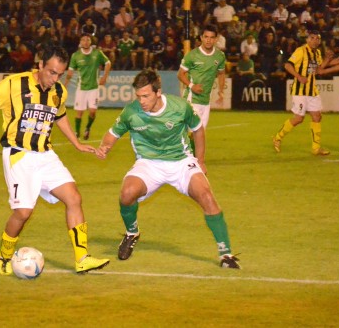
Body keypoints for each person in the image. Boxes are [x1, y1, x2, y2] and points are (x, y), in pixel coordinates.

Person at [0, 46, 110, 276]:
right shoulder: (14, 84)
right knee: (23, 213)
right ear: (40, 65)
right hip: (19, 155)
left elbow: (59, 116)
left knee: (74, 198)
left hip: (45, 155)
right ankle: (4, 254)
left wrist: (76, 143)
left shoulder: (59, 91)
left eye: (59, 74)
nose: (55, 78)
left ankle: (82, 258)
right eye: (51, 72)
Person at [96, 69, 240, 269]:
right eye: (138, 96)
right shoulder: (131, 112)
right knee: (127, 193)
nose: (142, 101)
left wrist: (201, 160)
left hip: (181, 162)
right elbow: (112, 134)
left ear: (158, 92)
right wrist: (105, 146)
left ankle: (226, 254)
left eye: (146, 96)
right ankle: (132, 233)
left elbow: (198, 129)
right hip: (149, 163)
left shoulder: (180, 107)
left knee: (206, 195)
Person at [272, 30, 331, 156]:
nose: (315, 40)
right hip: (300, 90)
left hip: (312, 90)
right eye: (313, 38)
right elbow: (287, 65)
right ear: (307, 39)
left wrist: (327, 59)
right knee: (299, 118)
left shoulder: (318, 53)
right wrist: (298, 77)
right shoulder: (301, 51)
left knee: (317, 116)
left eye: (317, 38)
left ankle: (316, 148)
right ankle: (277, 137)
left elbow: (318, 70)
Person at [177, 25, 226, 131]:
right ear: (201, 37)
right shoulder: (192, 55)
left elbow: (221, 73)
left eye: (212, 37)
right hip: (192, 99)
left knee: (200, 135)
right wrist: (192, 86)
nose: (208, 40)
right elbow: (180, 74)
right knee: (191, 134)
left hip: (206, 101)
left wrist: (221, 92)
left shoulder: (220, 56)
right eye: (206, 37)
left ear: (216, 39)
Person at [64, 35, 112, 140]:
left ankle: (87, 128)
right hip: (81, 88)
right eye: (83, 40)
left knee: (92, 111)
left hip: (94, 87)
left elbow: (108, 63)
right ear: (80, 42)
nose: (85, 42)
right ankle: (77, 132)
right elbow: (70, 72)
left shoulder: (97, 53)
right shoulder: (75, 55)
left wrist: (105, 77)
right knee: (79, 113)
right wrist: (65, 85)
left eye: (88, 40)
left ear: (91, 42)